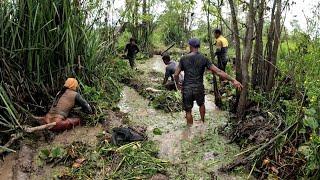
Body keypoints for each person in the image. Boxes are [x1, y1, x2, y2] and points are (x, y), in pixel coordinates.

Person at [174, 38, 242, 127]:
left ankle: (189, 129)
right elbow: (218, 72)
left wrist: (178, 85)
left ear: (190, 46)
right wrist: (233, 80)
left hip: (187, 88)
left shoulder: (183, 58)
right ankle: (202, 123)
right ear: (198, 46)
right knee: (201, 104)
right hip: (199, 87)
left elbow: (176, 74)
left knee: (188, 111)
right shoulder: (204, 58)